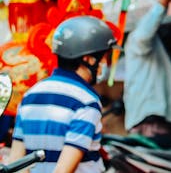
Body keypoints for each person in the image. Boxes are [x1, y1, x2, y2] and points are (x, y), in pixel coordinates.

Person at [9, 15, 119, 173]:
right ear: (89, 59)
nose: (105, 64)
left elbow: (17, 162)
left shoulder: (30, 96)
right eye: (105, 58)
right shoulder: (86, 102)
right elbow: (64, 169)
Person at [123, 0, 171, 149]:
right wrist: (164, 0)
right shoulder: (136, 40)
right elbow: (145, 33)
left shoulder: (156, 53)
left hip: (157, 123)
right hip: (149, 125)